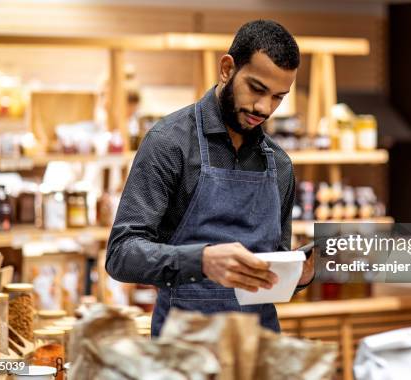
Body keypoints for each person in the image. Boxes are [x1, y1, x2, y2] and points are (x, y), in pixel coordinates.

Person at [106, 19, 314, 336]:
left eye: (277, 97)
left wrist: (299, 274)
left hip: (258, 349)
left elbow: (273, 268)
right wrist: (200, 261)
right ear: (227, 69)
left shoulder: (280, 164)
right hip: (184, 351)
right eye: (257, 89)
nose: (264, 107)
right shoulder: (169, 143)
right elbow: (122, 254)